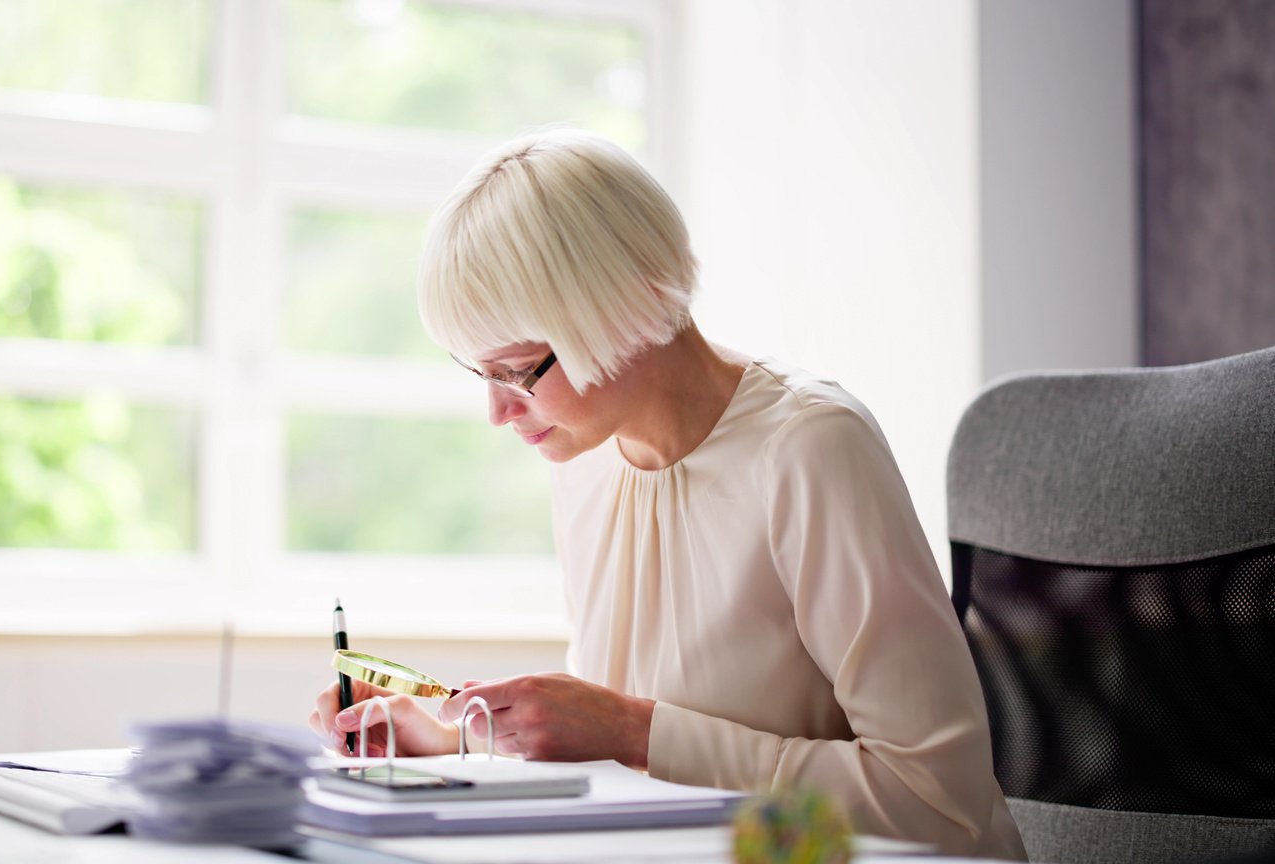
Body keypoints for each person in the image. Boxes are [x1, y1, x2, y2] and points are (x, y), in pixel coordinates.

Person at [307, 128, 1026, 860]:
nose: (498, 412)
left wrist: (633, 730)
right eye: (479, 374)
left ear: (624, 307)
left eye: (518, 370)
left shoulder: (807, 449)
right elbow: (623, 762)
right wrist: (451, 733)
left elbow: (940, 807)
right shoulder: (584, 457)